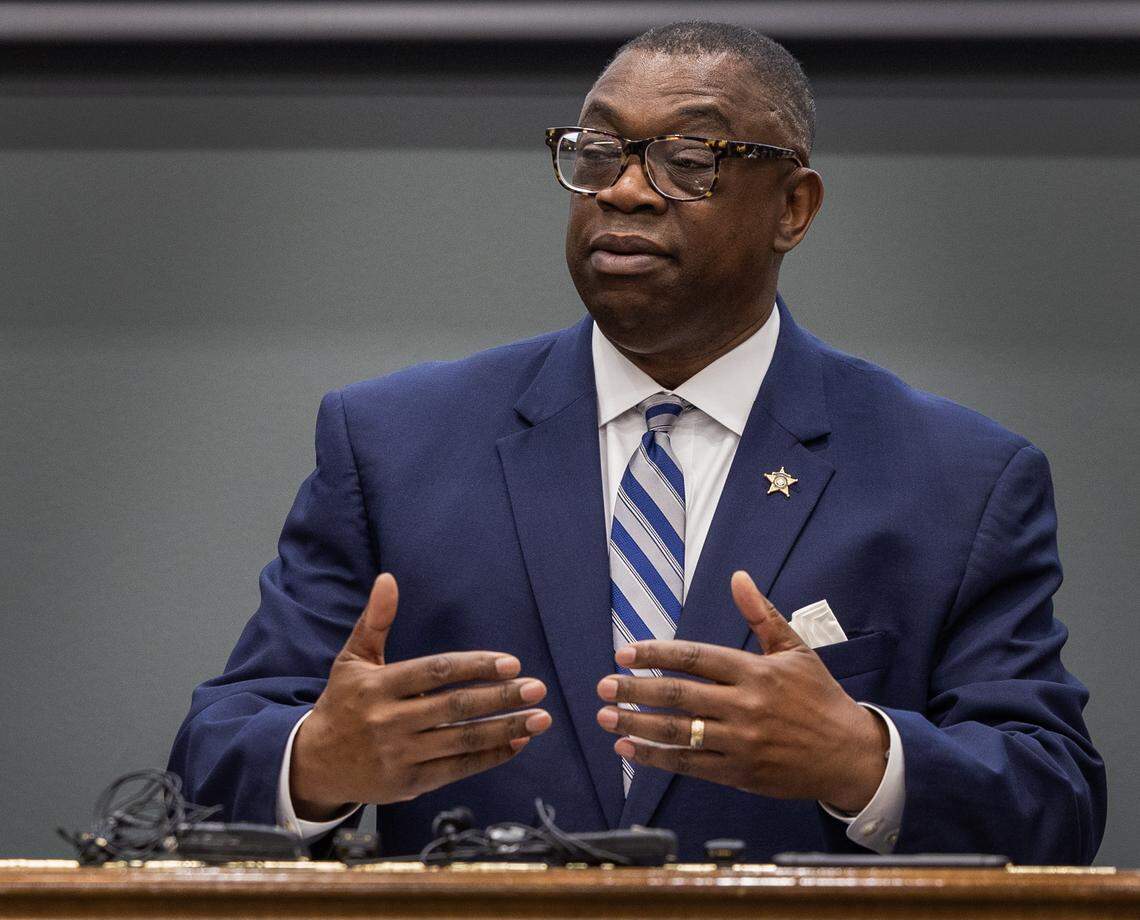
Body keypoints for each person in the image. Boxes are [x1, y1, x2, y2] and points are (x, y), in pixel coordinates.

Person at [168, 21, 1106, 862]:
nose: (624, 190)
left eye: (690, 159)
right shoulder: (392, 445)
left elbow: (1054, 801)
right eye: (599, 150)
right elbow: (212, 761)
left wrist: (865, 761)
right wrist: (318, 764)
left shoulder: (960, 479)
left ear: (794, 208)